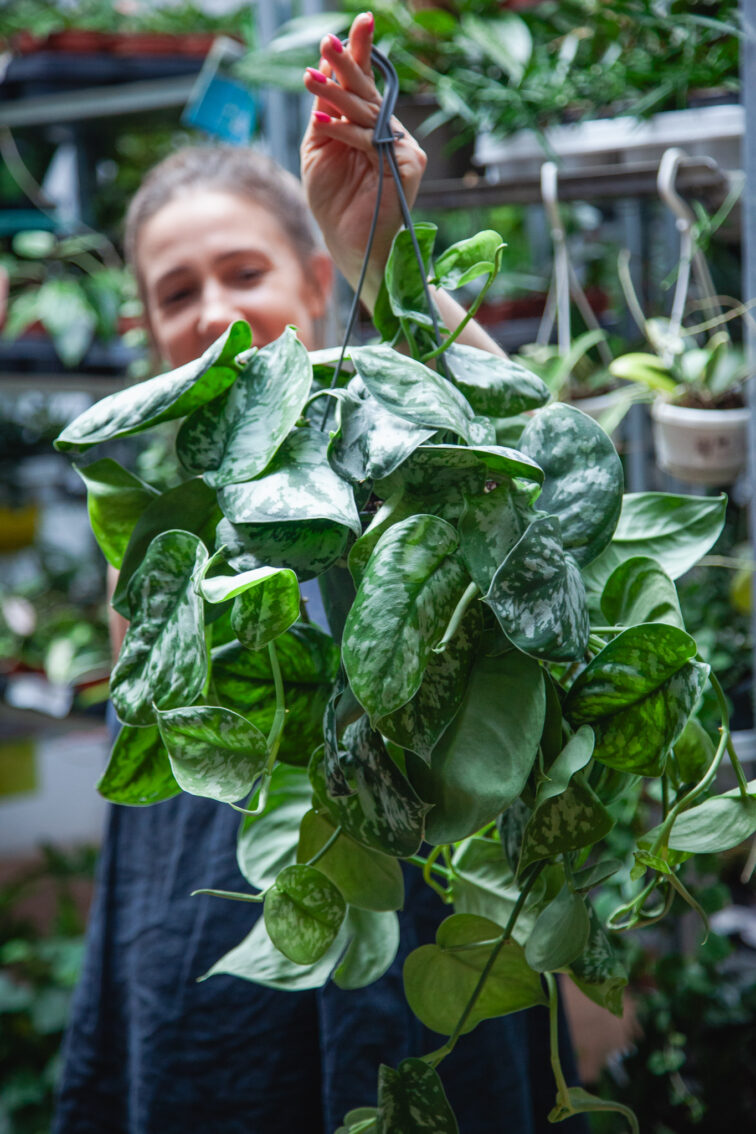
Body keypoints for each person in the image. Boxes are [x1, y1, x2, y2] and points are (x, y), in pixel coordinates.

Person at [53, 13, 586, 1133]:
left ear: (306, 279)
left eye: (241, 271)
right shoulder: (157, 511)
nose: (211, 309)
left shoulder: (381, 429)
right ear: (149, 330)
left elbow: (543, 482)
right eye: (176, 292)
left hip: (406, 910)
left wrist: (379, 252)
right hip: (201, 931)